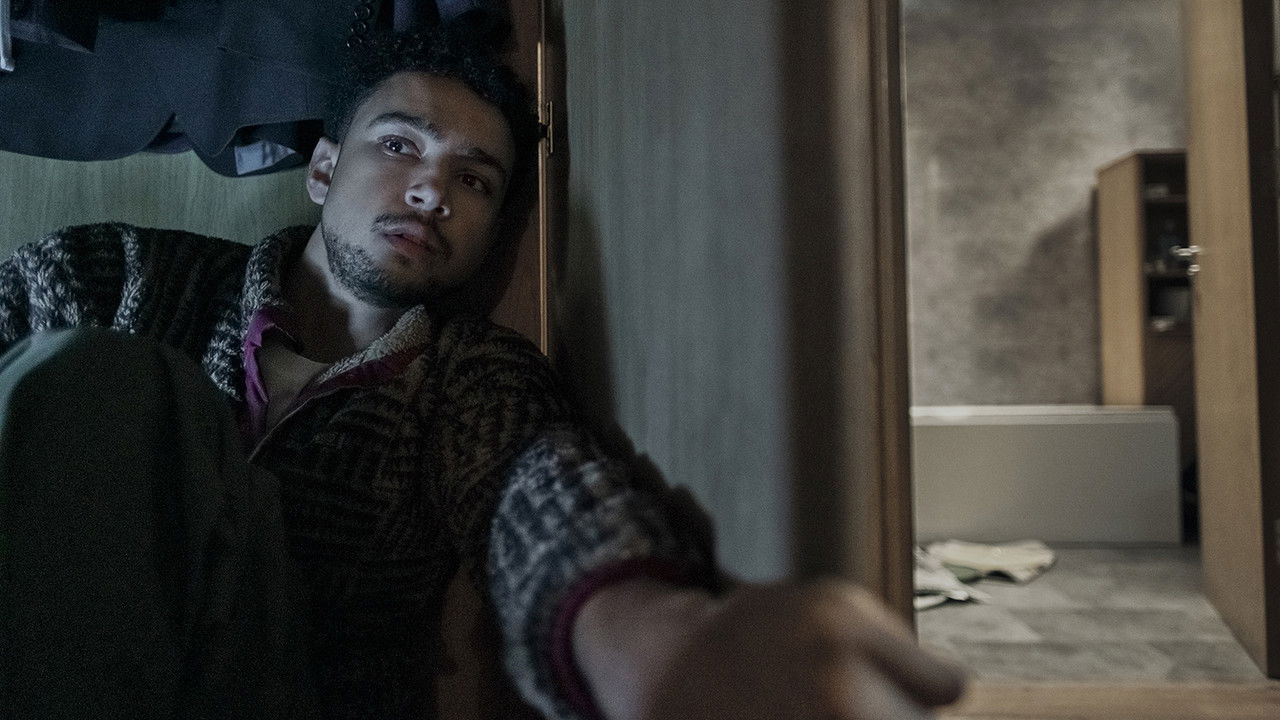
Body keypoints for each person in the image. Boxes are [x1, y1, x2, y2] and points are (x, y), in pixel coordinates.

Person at [0, 25, 965, 720]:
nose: (432, 190)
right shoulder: (117, 275)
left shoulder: (469, 382)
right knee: (102, 378)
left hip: (276, 693)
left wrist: (661, 649)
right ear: (323, 169)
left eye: (474, 179)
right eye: (400, 146)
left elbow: (545, 506)